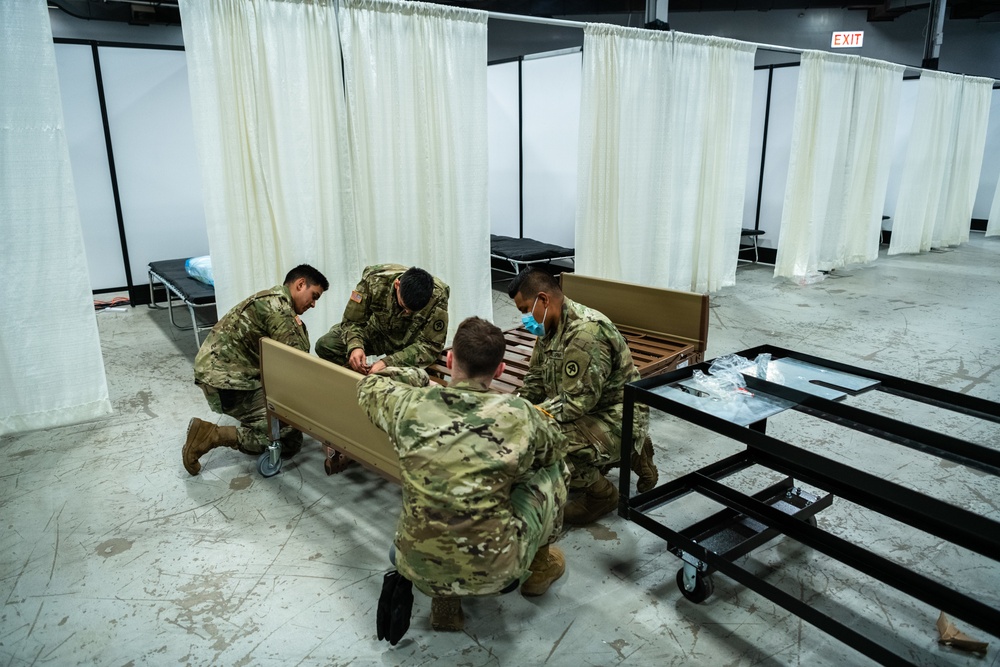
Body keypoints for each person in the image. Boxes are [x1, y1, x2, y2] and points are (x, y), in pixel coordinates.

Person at [357, 316, 569, 633]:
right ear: (498, 370)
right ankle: (539, 566)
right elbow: (555, 447)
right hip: (496, 571)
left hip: (416, 562)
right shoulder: (518, 413)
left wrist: (417, 377)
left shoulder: (409, 405)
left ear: (451, 358)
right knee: (555, 471)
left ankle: (445, 604)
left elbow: (369, 385)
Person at [507, 268, 657, 525]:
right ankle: (632, 453)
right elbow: (534, 379)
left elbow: (575, 403)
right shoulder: (550, 326)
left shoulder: (585, 334)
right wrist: (512, 407)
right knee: (528, 428)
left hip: (618, 416)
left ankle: (602, 495)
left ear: (543, 300)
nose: (525, 319)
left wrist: (529, 418)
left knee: (544, 443)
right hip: (591, 410)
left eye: (525, 310)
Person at [182, 264, 329, 476]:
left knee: (283, 411)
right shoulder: (279, 308)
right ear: (300, 284)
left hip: (222, 376)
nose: (314, 304)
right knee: (289, 437)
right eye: (314, 296)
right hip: (227, 385)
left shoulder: (268, 299)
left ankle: (254, 420)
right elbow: (298, 360)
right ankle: (211, 435)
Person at [315, 264, 449, 374]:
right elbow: (352, 321)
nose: (407, 313)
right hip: (377, 332)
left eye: (413, 311)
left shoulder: (438, 296)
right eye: (403, 306)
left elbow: (430, 346)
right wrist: (356, 346)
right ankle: (363, 378)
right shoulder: (373, 281)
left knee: (415, 379)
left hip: (409, 344)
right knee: (327, 344)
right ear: (397, 284)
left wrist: (387, 363)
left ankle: (379, 381)